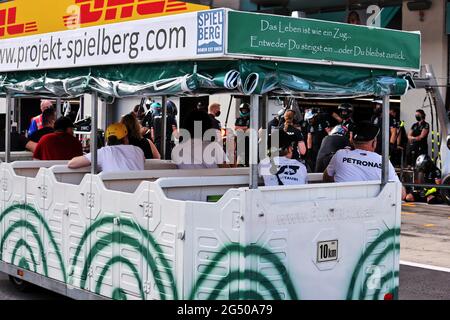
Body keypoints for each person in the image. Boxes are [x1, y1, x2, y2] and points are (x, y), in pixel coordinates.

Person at [323, 121, 406, 199]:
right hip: (374, 209)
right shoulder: (384, 161)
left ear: (352, 140)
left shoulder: (340, 155)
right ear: (374, 143)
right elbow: (401, 194)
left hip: (340, 206)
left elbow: (326, 177)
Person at [68, 123, 145, 172]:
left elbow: (72, 164)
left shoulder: (104, 152)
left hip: (113, 193)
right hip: (138, 192)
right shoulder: (138, 150)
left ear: (107, 139)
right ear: (125, 138)